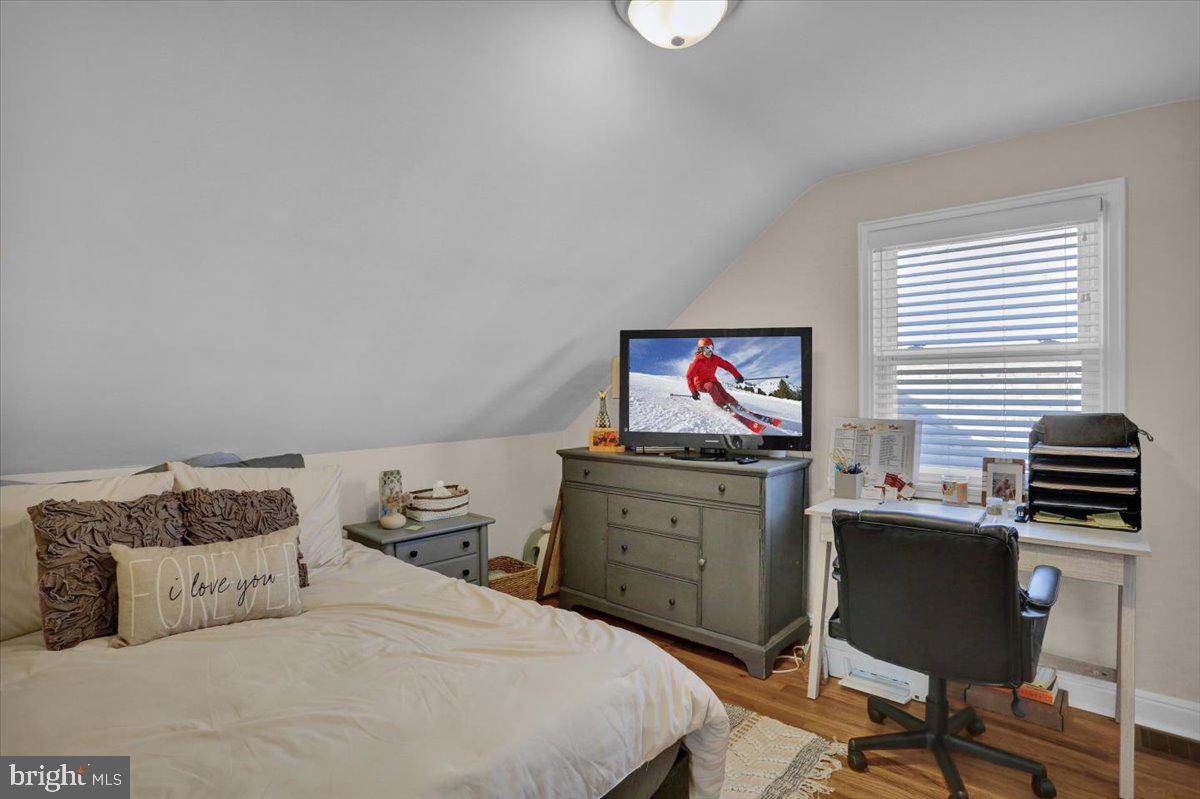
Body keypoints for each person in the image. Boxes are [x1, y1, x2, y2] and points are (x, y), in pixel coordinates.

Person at [686, 337, 744, 411]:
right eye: (706, 348)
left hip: (713, 381)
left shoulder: (715, 359)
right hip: (700, 384)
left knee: (721, 389)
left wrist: (737, 375)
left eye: (711, 348)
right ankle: (722, 404)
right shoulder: (697, 362)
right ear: (701, 350)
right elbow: (689, 376)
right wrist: (693, 391)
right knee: (711, 386)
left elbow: (727, 365)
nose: (709, 351)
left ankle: (734, 403)